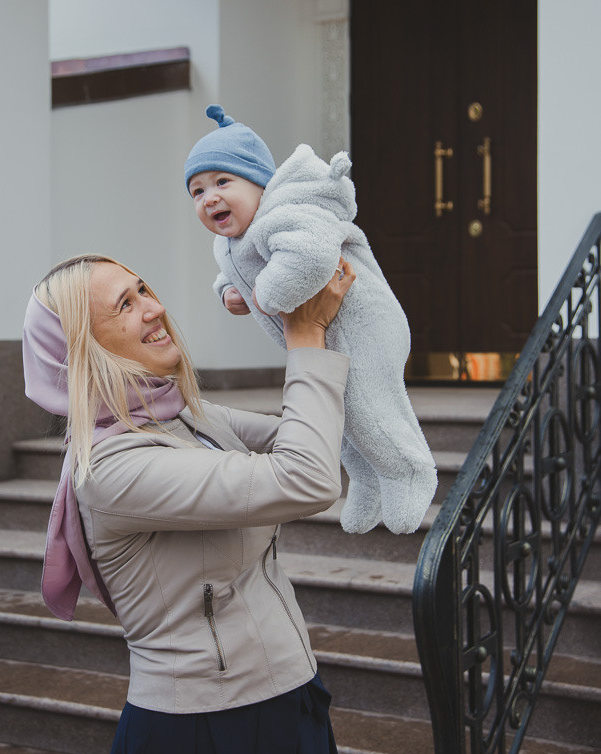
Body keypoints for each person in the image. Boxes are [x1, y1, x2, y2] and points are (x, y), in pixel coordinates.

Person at [22, 252, 355, 754]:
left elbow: (315, 438)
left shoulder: (184, 415)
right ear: (84, 348)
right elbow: (309, 478)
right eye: (125, 305)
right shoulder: (113, 468)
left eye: (144, 290)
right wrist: (304, 335)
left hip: (289, 695)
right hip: (206, 730)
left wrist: (296, 304)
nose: (154, 309)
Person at [185, 105, 437, 536]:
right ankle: (367, 481)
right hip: (323, 335)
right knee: (338, 416)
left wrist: (264, 293)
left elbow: (312, 256)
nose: (209, 197)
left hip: (365, 325)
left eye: (223, 182)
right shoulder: (230, 242)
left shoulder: (286, 212)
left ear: (260, 184)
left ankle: (408, 471)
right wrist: (228, 293)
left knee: (368, 406)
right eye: (197, 191)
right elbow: (234, 276)